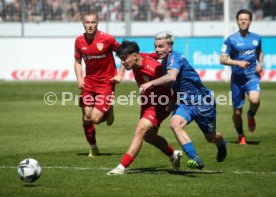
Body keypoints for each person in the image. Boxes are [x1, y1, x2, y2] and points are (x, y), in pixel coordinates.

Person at [140, 32, 227, 169]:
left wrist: (150, 84)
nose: (157, 50)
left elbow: (172, 77)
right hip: (185, 103)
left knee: (210, 137)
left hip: (203, 102)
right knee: (175, 124)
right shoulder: (165, 62)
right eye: (155, 46)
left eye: (161, 46)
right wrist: (172, 99)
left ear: (170, 46)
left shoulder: (176, 57)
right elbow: (177, 83)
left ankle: (221, 144)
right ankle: (195, 158)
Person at [107, 41, 182, 175]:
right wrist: (120, 73)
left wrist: (173, 99)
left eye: (124, 59)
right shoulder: (138, 58)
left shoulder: (154, 68)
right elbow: (153, 55)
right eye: (121, 59)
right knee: (149, 136)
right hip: (147, 102)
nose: (123, 63)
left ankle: (121, 167)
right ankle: (173, 154)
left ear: (135, 56)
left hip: (160, 103)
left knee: (140, 130)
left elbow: (175, 81)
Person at [74, 12, 123, 157]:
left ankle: (108, 110)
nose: (90, 25)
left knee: (95, 118)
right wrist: (79, 77)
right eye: (87, 22)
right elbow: (77, 61)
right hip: (89, 83)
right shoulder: (79, 41)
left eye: (93, 22)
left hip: (105, 83)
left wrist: (119, 74)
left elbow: (124, 54)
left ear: (97, 23)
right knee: (86, 117)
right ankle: (93, 148)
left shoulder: (107, 39)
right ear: (83, 24)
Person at [220, 9, 263, 145]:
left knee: (255, 100)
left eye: (246, 19)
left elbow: (259, 52)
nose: (243, 21)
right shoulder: (230, 40)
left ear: (250, 21)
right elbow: (222, 59)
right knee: (237, 112)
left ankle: (250, 115)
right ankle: (240, 134)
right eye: (241, 19)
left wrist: (260, 63)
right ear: (237, 21)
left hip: (252, 76)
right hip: (237, 80)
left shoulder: (256, 38)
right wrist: (238, 62)